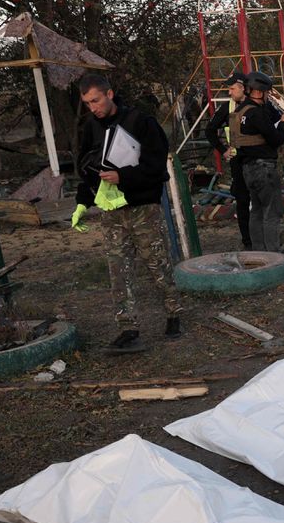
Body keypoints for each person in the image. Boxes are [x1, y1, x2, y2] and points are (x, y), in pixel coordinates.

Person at [70, 73, 181, 354]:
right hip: (112, 211)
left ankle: (173, 313)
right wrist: (83, 203)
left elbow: (157, 166)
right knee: (119, 270)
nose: (92, 107)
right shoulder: (91, 128)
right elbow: (85, 168)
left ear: (109, 93)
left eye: (95, 100)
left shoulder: (140, 122)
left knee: (157, 264)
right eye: (87, 103)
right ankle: (128, 328)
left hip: (143, 207)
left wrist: (125, 176)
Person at [229, 72, 284, 252]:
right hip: (263, 169)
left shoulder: (239, 112)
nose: (267, 96)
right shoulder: (256, 113)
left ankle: (259, 254)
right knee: (271, 213)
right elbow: (275, 139)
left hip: (247, 169)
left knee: (257, 212)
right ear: (259, 92)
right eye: (267, 93)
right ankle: (274, 257)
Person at [204, 71, 268, 249]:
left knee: (261, 200)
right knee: (242, 200)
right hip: (238, 162)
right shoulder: (228, 108)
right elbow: (209, 131)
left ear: (243, 88)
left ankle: (265, 239)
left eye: (232, 89)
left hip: (258, 161)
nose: (229, 93)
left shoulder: (258, 105)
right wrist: (223, 150)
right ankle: (248, 241)